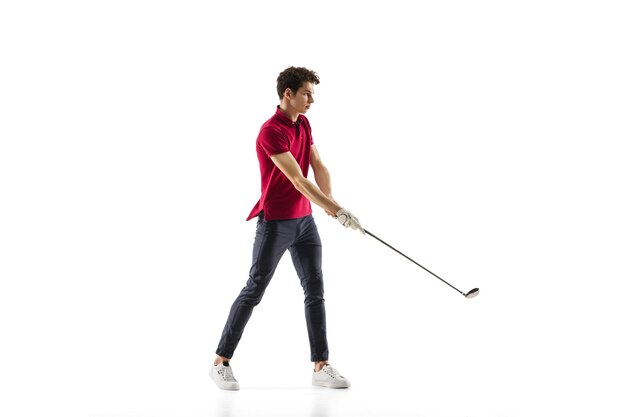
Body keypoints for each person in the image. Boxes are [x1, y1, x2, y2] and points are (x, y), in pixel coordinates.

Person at [210, 66, 363, 391]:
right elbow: (298, 179)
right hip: (276, 223)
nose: (311, 100)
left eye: (312, 94)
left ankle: (320, 365)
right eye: (306, 93)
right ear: (287, 94)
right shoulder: (270, 131)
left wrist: (332, 205)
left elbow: (318, 166)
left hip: (305, 223)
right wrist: (334, 209)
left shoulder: (304, 123)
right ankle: (220, 362)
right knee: (255, 289)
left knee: (315, 290)